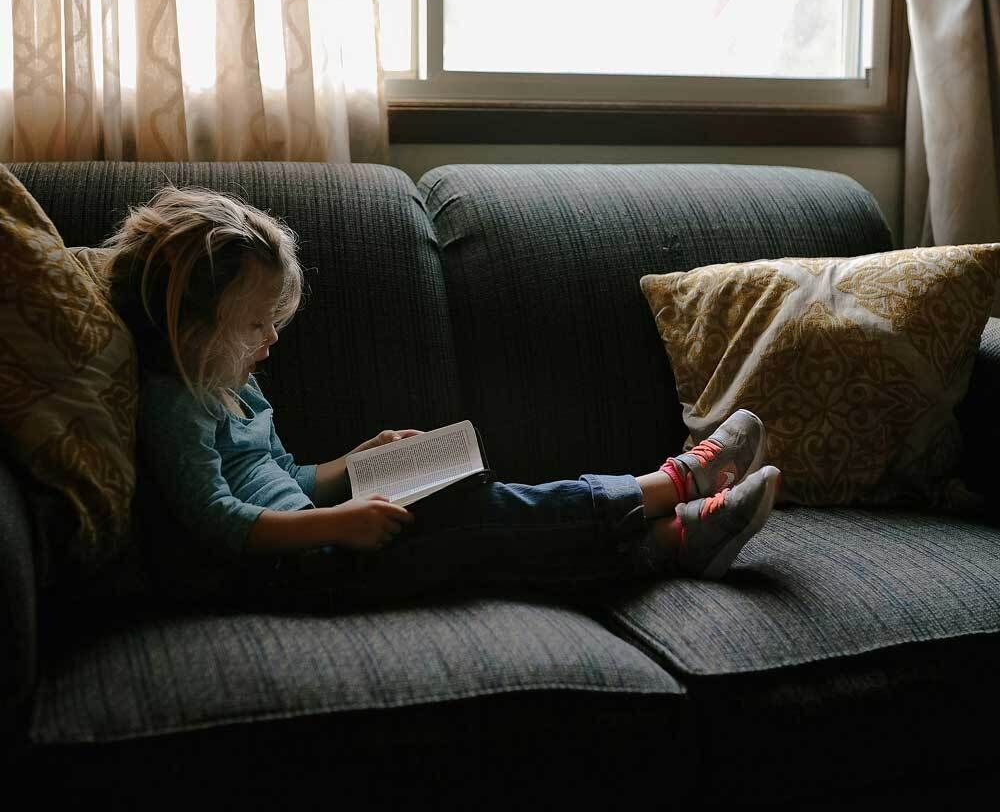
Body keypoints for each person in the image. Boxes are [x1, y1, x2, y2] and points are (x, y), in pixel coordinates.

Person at [104, 185, 780, 607]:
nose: (271, 340)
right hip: (295, 573)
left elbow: (285, 477)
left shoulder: (232, 382)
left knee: (480, 522)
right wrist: (338, 523)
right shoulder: (175, 403)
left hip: (316, 541)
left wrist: (356, 462)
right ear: (192, 325)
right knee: (474, 517)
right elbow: (219, 520)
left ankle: (674, 538)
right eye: (255, 325)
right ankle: (676, 483)